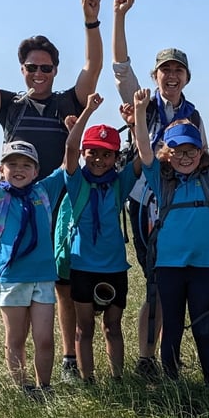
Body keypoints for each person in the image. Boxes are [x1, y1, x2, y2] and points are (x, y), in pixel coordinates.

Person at [0, 0, 103, 383]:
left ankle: (67, 359)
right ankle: (41, 369)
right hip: (19, 208)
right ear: (22, 69)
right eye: (32, 66)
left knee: (62, 284)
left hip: (62, 201)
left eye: (46, 68)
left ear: (54, 70)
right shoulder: (10, 105)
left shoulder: (69, 101)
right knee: (38, 283)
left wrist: (91, 21)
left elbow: (93, 67)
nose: (39, 73)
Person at [112, 0, 207, 378]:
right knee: (155, 279)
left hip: (179, 208)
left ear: (186, 77)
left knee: (171, 280)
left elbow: (200, 162)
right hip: (144, 201)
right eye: (164, 71)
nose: (171, 76)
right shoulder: (143, 102)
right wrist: (119, 16)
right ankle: (147, 357)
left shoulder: (193, 114)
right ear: (155, 76)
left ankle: (166, 356)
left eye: (177, 71)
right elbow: (120, 67)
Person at [132, 77, 209, 391]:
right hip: (168, 267)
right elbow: (143, 147)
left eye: (191, 149)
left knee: (204, 326)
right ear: (167, 152)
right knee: (174, 327)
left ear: (200, 151)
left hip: (204, 267)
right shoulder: (159, 179)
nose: (185, 155)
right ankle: (171, 382)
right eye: (177, 149)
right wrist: (140, 112)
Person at [0, 129, 66, 399]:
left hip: (43, 277)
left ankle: (45, 388)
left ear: (36, 171)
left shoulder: (45, 191)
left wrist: (79, 122)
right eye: (12, 164)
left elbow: (69, 161)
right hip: (11, 278)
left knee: (45, 339)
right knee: (16, 339)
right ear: (2, 169)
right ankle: (23, 389)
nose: (19, 169)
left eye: (26, 165)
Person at [63, 93, 140, 384]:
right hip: (83, 266)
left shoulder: (119, 185)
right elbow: (70, 146)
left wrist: (133, 125)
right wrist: (87, 113)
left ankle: (118, 379)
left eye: (107, 153)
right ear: (85, 153)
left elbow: (139, 158)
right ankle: (88, 380)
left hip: (115, 268)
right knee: (84, 329)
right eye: (93, 152)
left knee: (113, 326)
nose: (98, 159)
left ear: (114, 157)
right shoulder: (77, 182)